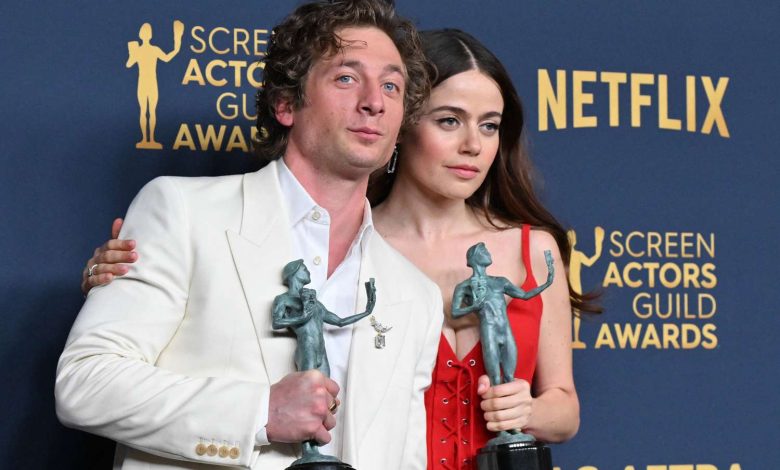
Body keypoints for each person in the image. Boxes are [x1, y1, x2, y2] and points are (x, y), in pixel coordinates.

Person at [82, 28, 601, 470]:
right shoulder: (336, 244)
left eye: (490, 126)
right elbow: (94, 377)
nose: (472, 144)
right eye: (449, 120)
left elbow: (561, 405)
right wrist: (131, 273)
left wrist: (526, 412)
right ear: (406, 129)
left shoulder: (430, 272)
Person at [57, 1, 442, 470]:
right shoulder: (182, 212)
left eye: (391, 86)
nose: (374, 102)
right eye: (346, 78)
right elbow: (84, 383)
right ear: (285, 103)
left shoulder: (415, 296)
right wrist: (260, 412)